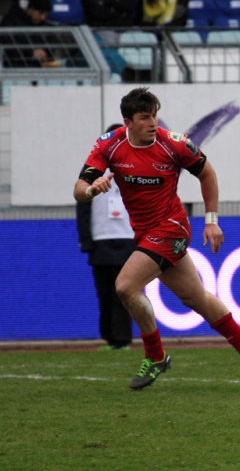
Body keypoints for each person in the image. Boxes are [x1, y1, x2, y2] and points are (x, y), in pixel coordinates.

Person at [73, 88, 240, 390]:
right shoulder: (109, 146)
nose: (152, 122)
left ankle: (156, 356)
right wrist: (91, 189)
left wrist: (212, 220)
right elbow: (79, 188)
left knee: (125, 286)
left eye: (154, 115)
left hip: (172, 227)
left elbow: (208, 174)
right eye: (144, 117)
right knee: (196, 298)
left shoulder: (173, 144)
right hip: (145, 234)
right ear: (128, 121)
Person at [77, 123, 136, 351]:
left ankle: (122, 340)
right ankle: (110, 338)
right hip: (101, 242)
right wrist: (86, 241)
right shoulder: (93, 171)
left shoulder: (138, 168)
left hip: (129, 240)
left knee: (124, 294)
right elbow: (82, 206)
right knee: (104, 294)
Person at [0, 0, 58, 68]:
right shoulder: (11, 20)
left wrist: (44, 53)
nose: (43, 18)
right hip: (13, 68)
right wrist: (30, 53)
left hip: (38, 69)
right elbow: (6, 44)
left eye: (45, 14)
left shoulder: (44, 25)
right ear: (31, 9)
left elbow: (50, 46)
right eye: (40, 13)